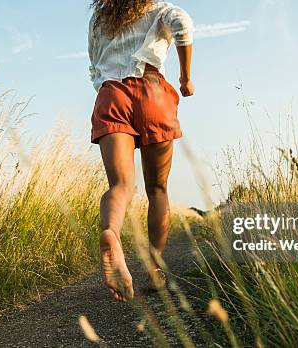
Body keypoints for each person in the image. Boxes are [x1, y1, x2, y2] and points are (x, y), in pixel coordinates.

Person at [88, 0, 194, 302]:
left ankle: (111, 231)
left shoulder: (101, 16)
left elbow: (94, 65)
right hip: (152, 91)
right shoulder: (158, 8)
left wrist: (108, 87)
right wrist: (185, 77)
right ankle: (154, 271)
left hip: (112, 95)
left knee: (120, 185)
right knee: (157, 189)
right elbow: (183, 23)